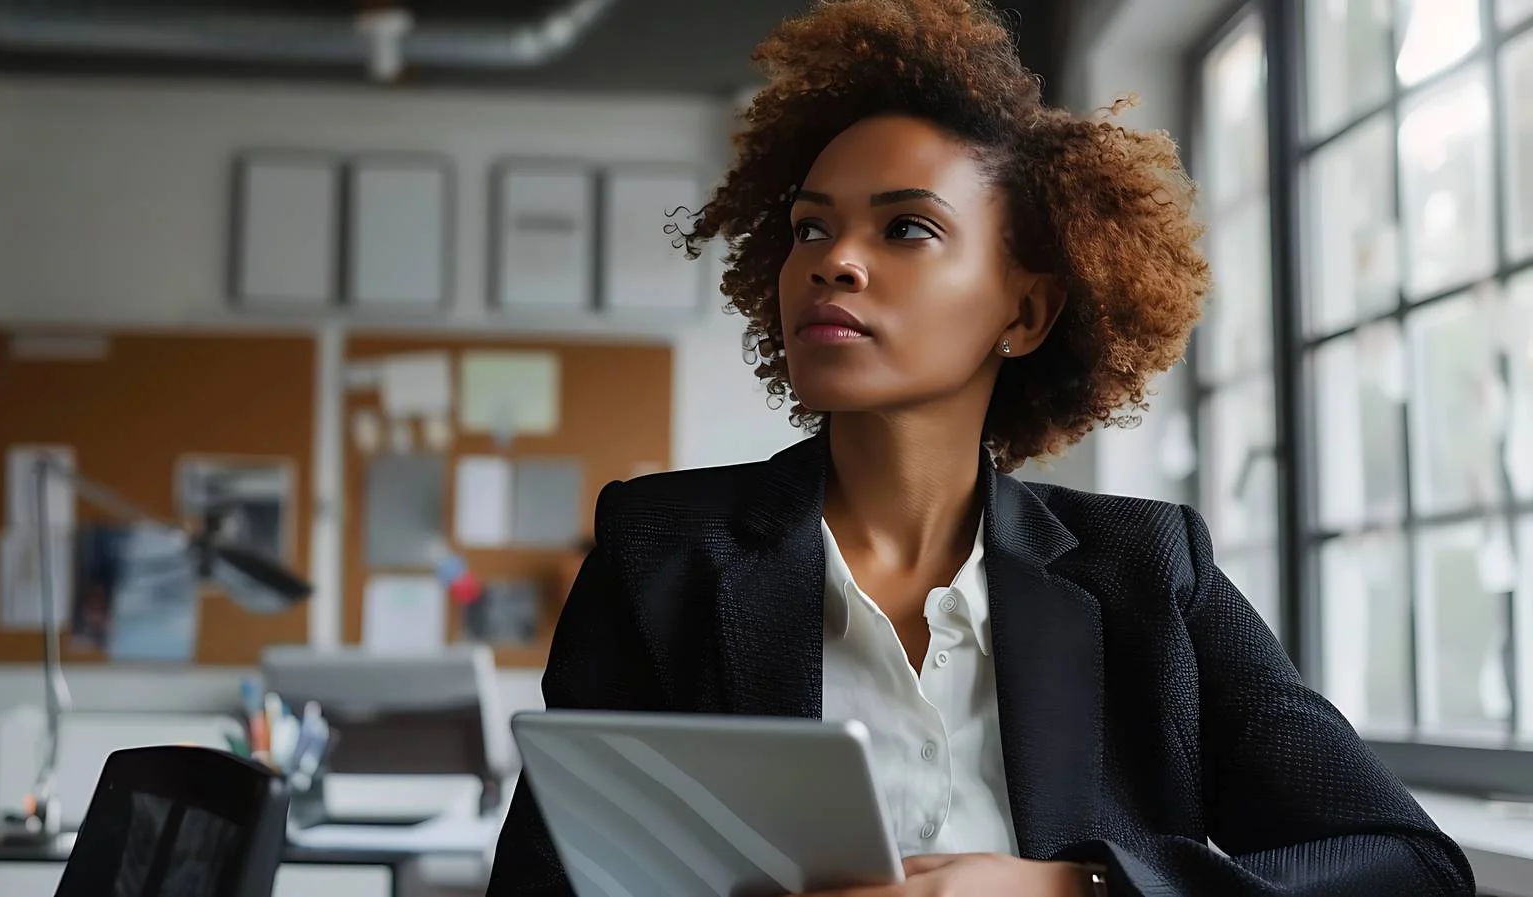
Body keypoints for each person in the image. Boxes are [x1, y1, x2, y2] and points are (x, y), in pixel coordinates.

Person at [486, 1, 1475, 895]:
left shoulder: (1148, 572)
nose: (831, 261)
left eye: (906, 228)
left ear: (1027, 311)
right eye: (808, 228)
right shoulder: (660, 553)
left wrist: (1069, 891)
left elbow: (1404, 866)